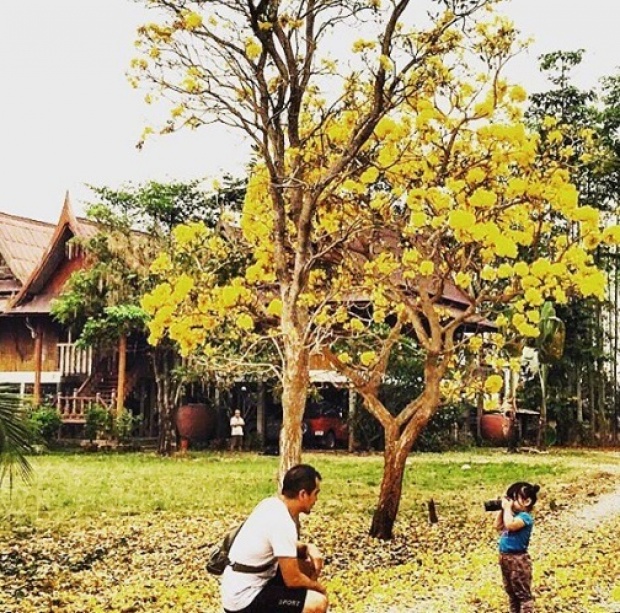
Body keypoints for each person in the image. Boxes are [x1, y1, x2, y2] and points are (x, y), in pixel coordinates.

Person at [221, 464, 328, 613]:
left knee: (305, 564)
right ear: (303, 494)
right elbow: (293, 580)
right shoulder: (282, 521)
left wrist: (308, 548)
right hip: (244, 598)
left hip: (249, 582)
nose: (316, 499)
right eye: (316, 493)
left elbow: (282, 546)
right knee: (317, 603)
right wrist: (320, 588)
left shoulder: (271, 505)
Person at [495, 481, 541, 613]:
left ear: (526, 502)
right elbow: (498, 526)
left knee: (522, 594)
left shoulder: (525, 517)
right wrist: (502, 509)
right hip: (505, 558)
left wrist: (508, 509)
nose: (510, 502)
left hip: (518, 560)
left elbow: (510, 525)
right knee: (511, 592)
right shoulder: (511, 515)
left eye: (513, 499)